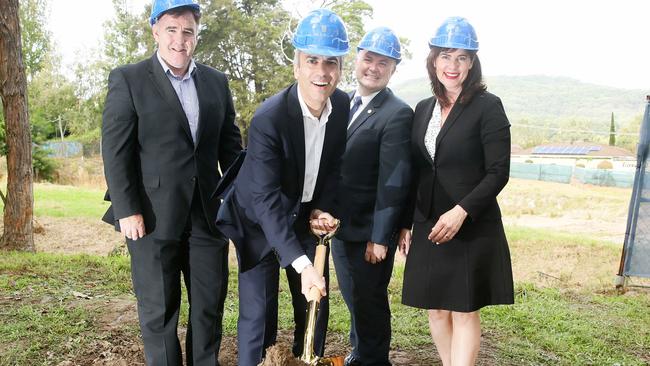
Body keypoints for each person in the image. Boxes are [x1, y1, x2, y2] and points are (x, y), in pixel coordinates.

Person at [101, 0, 242, 364]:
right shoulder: (128, 79)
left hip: (208, 218)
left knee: (208, 308)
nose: (180, 40)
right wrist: (127, 209)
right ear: (155, 31)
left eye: (188, 31)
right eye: (172, 29)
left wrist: (240, 201)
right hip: (150, 217)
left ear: (196, 35)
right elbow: (115, 151)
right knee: (160, 312)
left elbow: (231, 148)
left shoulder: (215, 82)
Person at [215, 8, 349, 366]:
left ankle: (308, 359)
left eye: (331, 62)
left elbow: (333, 167)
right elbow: (264, 199)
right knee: (259, 314)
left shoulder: (344, 107)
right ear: (297, 66)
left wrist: (322, 207)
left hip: (303, 214)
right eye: (312, 60)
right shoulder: (268, 119)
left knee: (314, 302)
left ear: (340, 68)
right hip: (258, 219)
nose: (322, 72)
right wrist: (303, 265)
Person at [398, 16, 514, 366]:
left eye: (462, 58)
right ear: (433, 60)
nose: (453, 65)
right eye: (446, 56)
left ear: (472, 63)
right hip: (429, 222)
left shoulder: (487, 106)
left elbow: (498, 172)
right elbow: (417, 170)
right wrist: (406, 223)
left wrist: (462, 210)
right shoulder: (422, 109)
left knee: (463, 311)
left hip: (469, 224)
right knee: (435, 310)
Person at [331, 27, 413, 366]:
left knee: (369, 302)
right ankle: (359, 354)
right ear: (356, 59)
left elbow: (393, 183)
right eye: (368, 59)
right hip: (340, 227)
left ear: (393, 69)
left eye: (384, 63)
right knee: (354, 300)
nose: (373, 68)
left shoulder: (396, 113)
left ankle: (374, 360)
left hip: (369, 234)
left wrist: (381, 238)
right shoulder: (342, 102)